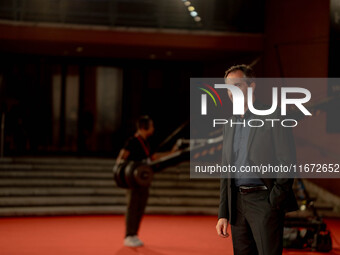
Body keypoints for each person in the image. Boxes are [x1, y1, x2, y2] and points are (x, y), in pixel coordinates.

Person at [215, 64, 298, 255]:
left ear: (251, 86)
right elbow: (226, 170)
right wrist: (223, 213)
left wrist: (273, 202)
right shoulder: (229, 124)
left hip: (264, 201)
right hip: (237, 204)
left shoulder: (274, 115)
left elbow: (287, 161)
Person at [116, 115, 177, 247]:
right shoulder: (132, 141)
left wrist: (172, 153)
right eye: (152, 125)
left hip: (143, 180)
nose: (153, 128)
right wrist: (127, 171)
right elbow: (120, 160)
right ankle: (128, 235)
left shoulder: (146, 143)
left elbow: (154, 157)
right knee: (132, 207)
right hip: (132, 181)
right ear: (144, 127)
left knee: (140, 207)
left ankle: (134, 234)